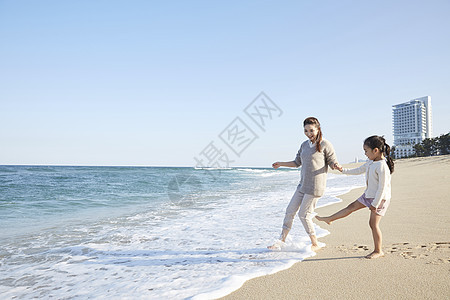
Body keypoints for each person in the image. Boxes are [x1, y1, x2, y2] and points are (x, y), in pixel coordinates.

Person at [316, 135, 394, 259]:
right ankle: (330, 219)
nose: (365, 154)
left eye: (366, 151)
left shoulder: (382, 166)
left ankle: (378, 251)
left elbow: (382, 188)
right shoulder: (370, 162)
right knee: (351, 207)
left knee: (373, 224)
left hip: (380, 199)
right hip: (368, 195)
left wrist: (375, 204)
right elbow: (358, 170)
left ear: (376, 150)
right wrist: (343, 170)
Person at [268, 117, 340, 252]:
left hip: (315, 187)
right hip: (302, 185)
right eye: (306, 131)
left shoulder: (325, 144)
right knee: (290, 211)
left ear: (318, 129)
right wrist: (281, 163)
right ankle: (281, 241)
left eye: (311, 130)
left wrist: (335, 165)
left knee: (304, 215)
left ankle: (315, 243)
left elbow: (331, 161)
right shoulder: (304, 145)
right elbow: (296, 163)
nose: (309, 133)